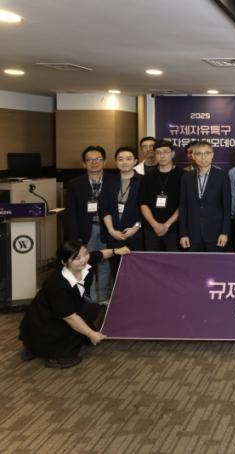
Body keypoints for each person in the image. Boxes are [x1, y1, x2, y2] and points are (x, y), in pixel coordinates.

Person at [19, 240, 130, 368]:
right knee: (81, 319)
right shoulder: (58, 285)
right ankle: (55, 356)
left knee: (91, 309)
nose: (84, 259)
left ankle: (36, 348)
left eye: (85, 254)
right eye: (77, 258)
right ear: (64, 262)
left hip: (56, 315)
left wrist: (117, 251)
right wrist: (90, 333)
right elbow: (70, 317)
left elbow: (101, 254)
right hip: (43, 324)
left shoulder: (83, 263)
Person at [65, 145, 115, 303]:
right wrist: (74, 238)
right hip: (86, 230)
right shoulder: (75, 184)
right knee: (86, 264)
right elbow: (71, 213)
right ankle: (91, 300)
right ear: (84, 163)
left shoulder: (114, 180)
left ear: (104, 161)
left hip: (108, 229)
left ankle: (104, 298)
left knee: (106, 264)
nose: (94, 162)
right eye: (89, 160)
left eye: (98, 159)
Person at [179, 141, 232, 252]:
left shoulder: (222, 176)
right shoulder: (186, 178)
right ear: (193, 156)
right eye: (199, 154)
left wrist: (225, 232)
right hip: (192, 235)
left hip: (216, 235)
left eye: (207, 153)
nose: (203, 157)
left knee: (215, 263)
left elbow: (227, 207)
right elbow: (183, 207)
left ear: (212, 155)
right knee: (193, 263)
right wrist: (183, 234)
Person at [99, 146, 144, 277]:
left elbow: (147, 209)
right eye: (120, 159)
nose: (124, 162)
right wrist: (111, 230)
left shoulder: (143, 181)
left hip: (136, 233)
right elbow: (104, 208)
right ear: (116, 162)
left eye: (128, 159)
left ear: (135, 161)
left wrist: (135, 228)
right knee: (116, 270)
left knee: (136, 271)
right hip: (115, 234)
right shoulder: (109, 181)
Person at [139, 140, 181, 251]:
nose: (162, 156)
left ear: (173, 154)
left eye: (166, 152)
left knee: (174, 260)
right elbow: (143, 204)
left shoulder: (184, 176)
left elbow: (184, 204)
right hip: (151, 229)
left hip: (175, 229)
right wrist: (154, 224)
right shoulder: (147, 177)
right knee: (152, 260)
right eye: (158, 152)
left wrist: (167, 224)